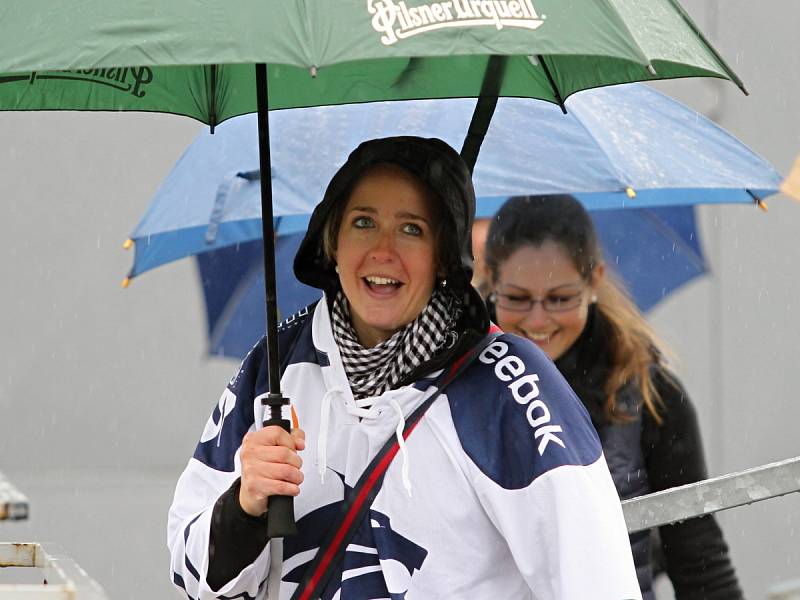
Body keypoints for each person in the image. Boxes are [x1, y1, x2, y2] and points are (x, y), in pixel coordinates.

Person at [167, 138, 642, 600]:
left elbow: (596, 578)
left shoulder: (511, 386)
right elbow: (191, 578)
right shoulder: (273, 367)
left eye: (412, 228)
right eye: (363, 222)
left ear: (443, 255)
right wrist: (245, 507)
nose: (383, 251)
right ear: (331, 240)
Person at [484, 194, 744, 600]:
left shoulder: (650, 393)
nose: (537, 320)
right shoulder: (451, 385)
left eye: (559, 298)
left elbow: (698, 557)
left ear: (595, 281)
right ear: (490, 282)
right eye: (516, 298)